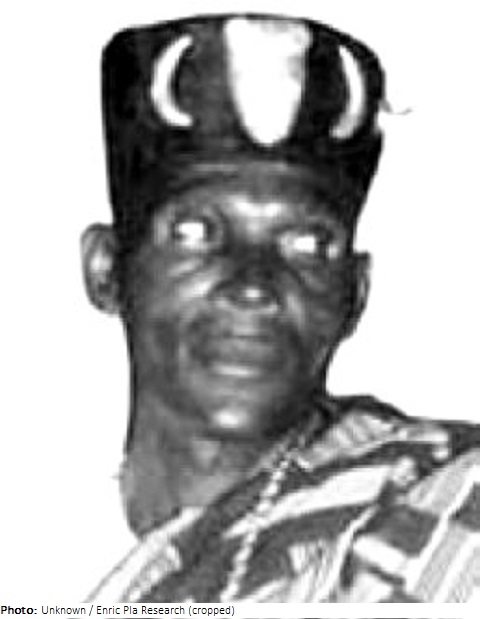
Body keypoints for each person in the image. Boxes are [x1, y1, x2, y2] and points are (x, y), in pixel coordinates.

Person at [82, 13, 480, 603]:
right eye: (196, 232)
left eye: (309, 245)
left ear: (355, 294)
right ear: (106, 269)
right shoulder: (38, 516)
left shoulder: (446, 501)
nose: (254, 286)